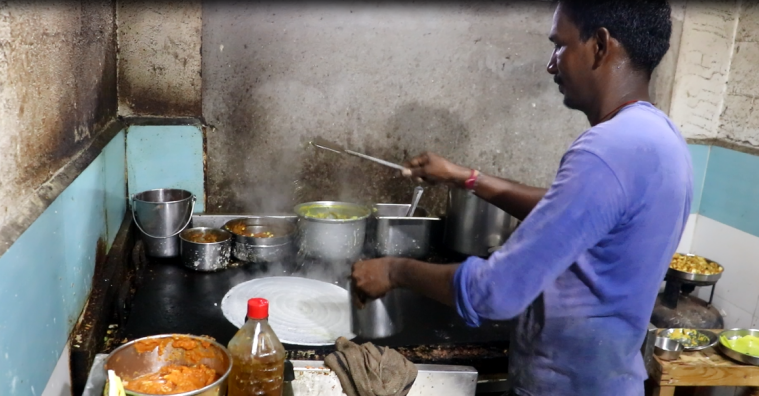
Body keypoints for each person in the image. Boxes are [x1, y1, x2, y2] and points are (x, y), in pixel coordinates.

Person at [351, 1, 691, 395]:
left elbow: (497, 293)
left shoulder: (605, 150)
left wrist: (394, 272)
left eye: (559, 46)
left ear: (599, 45)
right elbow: (572, 215)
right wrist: (467, 178)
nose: (552, 65)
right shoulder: (662, 139)